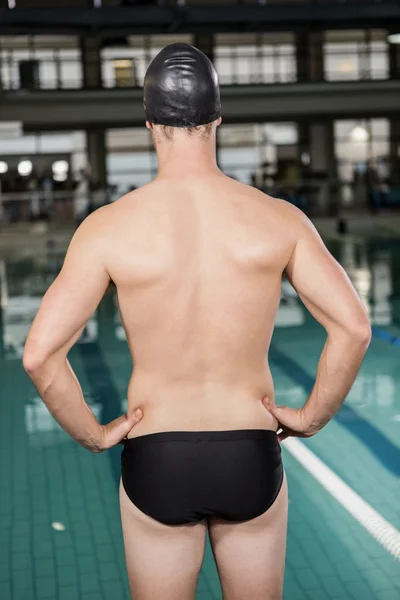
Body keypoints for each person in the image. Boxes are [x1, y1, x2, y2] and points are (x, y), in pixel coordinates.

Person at [23, 43, 371, 600]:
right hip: (250, 453)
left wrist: (93, 434)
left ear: (150, 124)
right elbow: (353, 328)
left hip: (156, 453)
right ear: (216, 120)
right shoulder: (278, 218)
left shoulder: (108, 228)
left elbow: (39, 354)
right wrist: (311, 417)